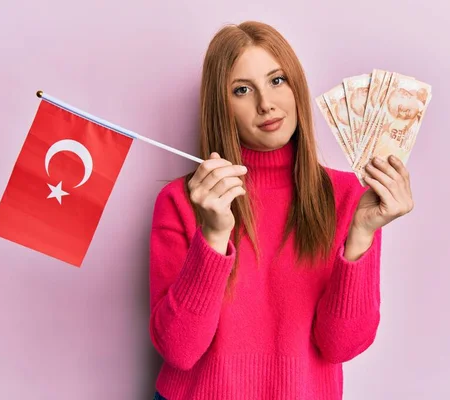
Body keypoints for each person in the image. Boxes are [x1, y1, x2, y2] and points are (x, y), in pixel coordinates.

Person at [148, 20, 414, 400]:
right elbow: (179, 350)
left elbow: (342, 347)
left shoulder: (348, 197)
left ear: (296, 86)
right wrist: (213, 235)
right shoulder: (183, 200)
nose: (266, 104)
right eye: (242, 90)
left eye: (277, 80)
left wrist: (361, 235)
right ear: (221, 106)